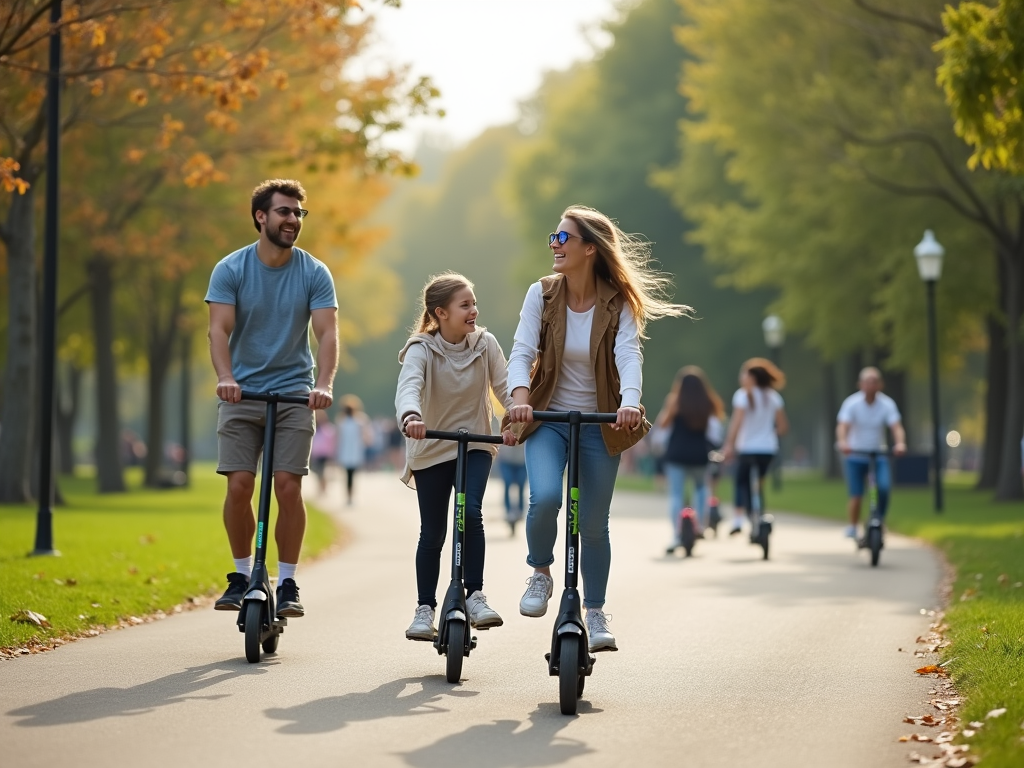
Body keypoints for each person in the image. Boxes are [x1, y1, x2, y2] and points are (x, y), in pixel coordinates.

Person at [505, 204, 689, 653]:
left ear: (590, 248)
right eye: (554, 236)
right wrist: (520, 400)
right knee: (546, 496)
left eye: (563, 238)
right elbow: (521, 349)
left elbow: (629, 356)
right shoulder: (542, 294)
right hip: (548, 418)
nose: (554, 244)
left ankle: (595, 610)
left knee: (593, 524)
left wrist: (629, 404)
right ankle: (540, 573)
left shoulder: (617, 302)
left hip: (600, 423)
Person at [206, 178, 337, 618]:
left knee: (287, 486)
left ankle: (288, 582)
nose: (293, 220)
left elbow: (326, 333)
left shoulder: (313, 272)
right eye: (284, 211)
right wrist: (225, 376)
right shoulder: (231, 268)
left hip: (295, 396)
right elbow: (219, 329)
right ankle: (242, 574)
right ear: (261, 216)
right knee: (240, 485)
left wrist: (324, 384)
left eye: (299, 213)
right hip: (242, 392)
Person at [395, 272, 516, 641]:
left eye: (474, 303)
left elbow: (506, 387)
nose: (474, 311)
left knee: (471, 513)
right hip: (432, 446)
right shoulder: (422, 348)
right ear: (440, 313)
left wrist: (514, 417)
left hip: (475, 443)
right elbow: (409, 387)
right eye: (465, 305)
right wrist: (411, 416)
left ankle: (476, 595)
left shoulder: (485, 344)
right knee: (432, 532)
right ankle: (424, 609)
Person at [655, 366, 725, 552]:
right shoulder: (708, 402)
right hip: (699, 454)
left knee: (676, 494)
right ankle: (699, 525)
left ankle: (676, 534)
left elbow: (663, 424)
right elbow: (714, 431)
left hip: (676, 453)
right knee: (702, 488)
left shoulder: (675, 401)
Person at [835, 367, 907, 538]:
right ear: (860, 384)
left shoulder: (887, 404)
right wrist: (843, 442)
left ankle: (879, 520)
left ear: (880, 385)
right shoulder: (851, 403)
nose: (870, 385)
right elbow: (842, 426)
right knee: (857, 495)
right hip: (855, 455)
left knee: (883, 488)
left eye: (874, 382)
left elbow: (896, 427)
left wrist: (900, 443)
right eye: (867, 382)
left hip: (877, 456)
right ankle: (853, 526)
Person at [722, 358, 788, 537]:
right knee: (757, 485)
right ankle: (757, 517)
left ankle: (738, 519)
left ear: (752, 377)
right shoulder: (773, 397)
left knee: (741, 481)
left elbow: (736, 423)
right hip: (767, 449)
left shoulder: (742, 395)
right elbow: (782, 427)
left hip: (747, 449)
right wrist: (768, 435)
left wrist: (729, 445)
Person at [335, 394, 371, 506]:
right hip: (353, 451)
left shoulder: (342, 421)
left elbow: (338, 438)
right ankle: (350, 496)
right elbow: (366, 436)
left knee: (348, 475)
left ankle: (349, 495)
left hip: (348, 451)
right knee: (351, 475)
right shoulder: (359, 421)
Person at [497, 441, 528, 535]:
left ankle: (520, 511)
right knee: (507, 483)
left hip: (522, 459)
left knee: (521, 486)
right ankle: (508, 512)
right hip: (506, 458)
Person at [310, 410, 336, 495]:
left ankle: (323, 488)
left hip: (324, 454)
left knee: (322, 471)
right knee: (317, 471)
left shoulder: (327, 428)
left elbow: (331, 442)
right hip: (316, 453)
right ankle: (321, 487)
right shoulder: (314, 428)